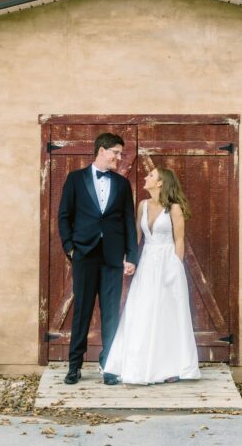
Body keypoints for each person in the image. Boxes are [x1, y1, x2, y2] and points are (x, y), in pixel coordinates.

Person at [104, 167, 201, 384]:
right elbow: (136, 237)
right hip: (147, 262)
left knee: (168, 313)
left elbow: (179, 240)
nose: (146, 177)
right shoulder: (142, 206)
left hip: (168, 263)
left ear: (160, 183)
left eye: (151, 175)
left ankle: (171, 367)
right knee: (142, 310)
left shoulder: (174, 208)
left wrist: (176, 267)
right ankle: (136, 362)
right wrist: (130, 260)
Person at [58, 132, 138, 386]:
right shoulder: (75, 179)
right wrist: (70, 248)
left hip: (113, 257)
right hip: (84, 254)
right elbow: (64, 216)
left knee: (111, 312)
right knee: (81, 311)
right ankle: (74, 366)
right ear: (101, 150)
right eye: (115, 152)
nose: (118, 157)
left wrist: (131, 255)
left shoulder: (122, 184)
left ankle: (109, 365)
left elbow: (128, 221)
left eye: (120, 153)